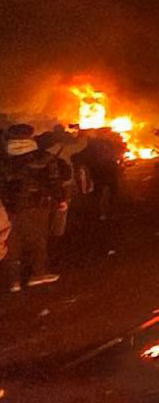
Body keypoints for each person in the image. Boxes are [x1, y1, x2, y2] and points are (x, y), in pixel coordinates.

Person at [2, 124, 70, 292]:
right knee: (38, 238)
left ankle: (14, 280)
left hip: (9, 206)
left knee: (12, 240)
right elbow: (55, 180)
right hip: (37, 204)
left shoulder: (4, 160)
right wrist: (61, 199)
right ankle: (38, 273)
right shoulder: (43, 158)